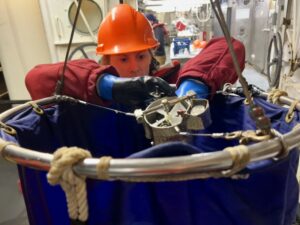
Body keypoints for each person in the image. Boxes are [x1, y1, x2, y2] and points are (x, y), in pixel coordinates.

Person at [25, 4, 245, 110]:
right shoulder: (91, 93)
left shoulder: (170, 80)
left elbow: (231, 45)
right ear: (107, 61)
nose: (134, 68)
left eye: (141, 56)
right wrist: (108, 85)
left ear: (151, 54)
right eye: (123, 59)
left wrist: (191, 86)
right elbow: (36, 78)